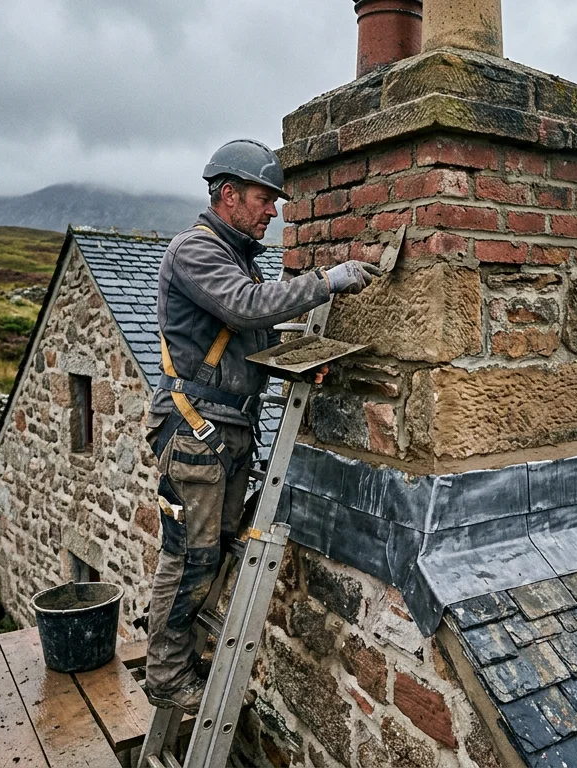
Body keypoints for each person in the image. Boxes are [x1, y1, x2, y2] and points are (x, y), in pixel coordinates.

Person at [143, 139, 382, 711]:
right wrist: (328, 280)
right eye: (263, 199)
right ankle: (166, 676)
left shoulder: (237, 259)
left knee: (213, 552)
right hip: (196, 431)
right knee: (191, 555)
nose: (272, 212)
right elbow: (245, 307)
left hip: (226, 431)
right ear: (228, 195)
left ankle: (182, 660)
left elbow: (251, 340)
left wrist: (294, 362)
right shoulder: (195, 252)